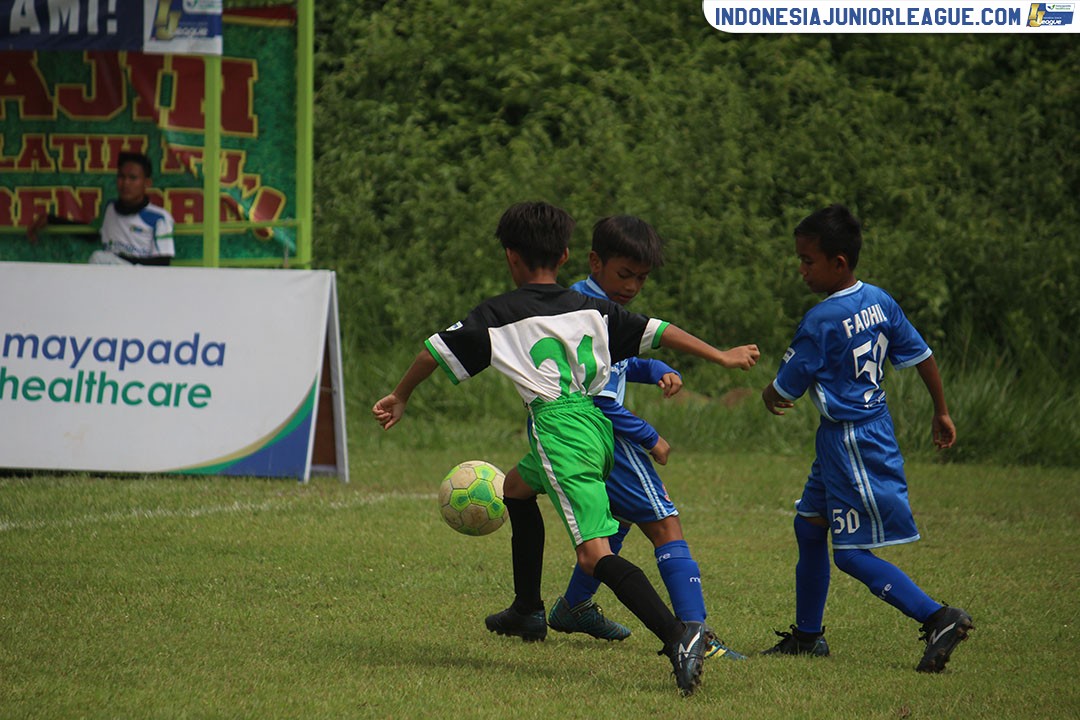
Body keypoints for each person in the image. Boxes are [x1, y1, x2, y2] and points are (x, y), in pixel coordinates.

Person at [372, 201, 760, 696]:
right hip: (595, 425)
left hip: (561, 432)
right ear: (566, 254)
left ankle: (678, 636)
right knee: (514, 489)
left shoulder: (497, 314)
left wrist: (400, 395)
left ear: (511, 256)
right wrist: (721, 356)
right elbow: (658, 330)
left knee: (593, 555)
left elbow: (434, 350)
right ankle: (528, 611)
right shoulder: (592, 309)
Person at [760, 203, 972, 673]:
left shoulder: (820, 319)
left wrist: (768, 393)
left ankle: (938, 616)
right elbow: (921, 354)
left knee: (852, 554)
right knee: (809, 525)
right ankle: (808, 636)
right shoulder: (879, 299)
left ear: (838, 262)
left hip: (853, 441)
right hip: (851, 434)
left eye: (808, 261)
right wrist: (941, 410)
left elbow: (785, 385)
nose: (801, 270)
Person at [542, 215, 745, 661]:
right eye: (624, 275)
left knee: (615, 523)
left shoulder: (578, 299)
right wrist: (650, 436)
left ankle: (573, 607)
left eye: (641, 278)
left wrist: (658, 369)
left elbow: (618, 363)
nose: (632, 286)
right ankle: (696, 635)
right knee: (665, 526)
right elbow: (595, 397)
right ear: (595, 261)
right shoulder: (589, 311)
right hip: (604, 435)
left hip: (570, 437)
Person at [27, 151, 175, 266]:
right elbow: (92, 234)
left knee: (98, 258)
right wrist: (52, 220)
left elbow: (162, 262)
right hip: (110, 280)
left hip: (141, 282)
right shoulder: (110, 209)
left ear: (147, 183)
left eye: (133, 178)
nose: (125, 183)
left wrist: (120, 260)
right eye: (121, 177)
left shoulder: (160, 218)